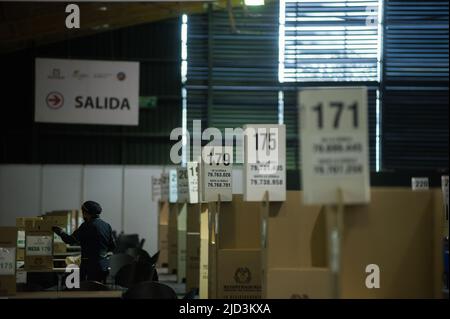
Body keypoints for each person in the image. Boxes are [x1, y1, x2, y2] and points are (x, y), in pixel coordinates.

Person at [52, 200, 116, 283]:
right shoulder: (107, 225)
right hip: (104, 266)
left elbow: (70, 240)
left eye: (83, 212)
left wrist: (60, 232)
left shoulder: (86, 226)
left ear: (86, 213)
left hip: (89, 267)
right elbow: (113, 246)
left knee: (85, 290)